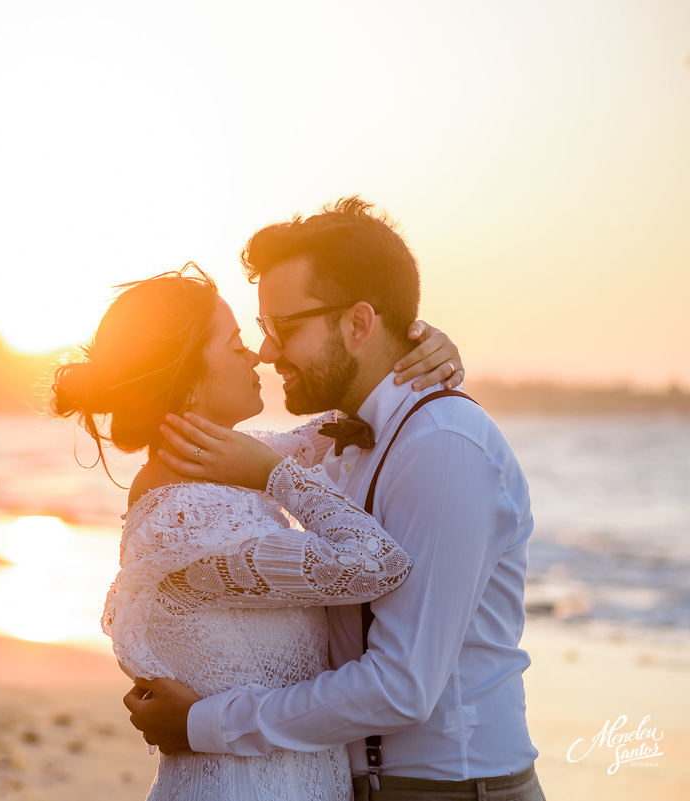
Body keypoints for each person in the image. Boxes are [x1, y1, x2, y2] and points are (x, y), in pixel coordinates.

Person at [126, 197, 545, 801]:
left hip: (451, 789)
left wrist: (205, 724)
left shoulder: (444, 445)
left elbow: (401, 686)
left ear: (358, 324)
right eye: (261, 329)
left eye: (284, 328)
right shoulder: (334, 442)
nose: (267, 351)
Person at [51, 263, 465, 801]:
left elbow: (336, 429)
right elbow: (378, 564)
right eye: (235, 344)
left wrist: (418, 353)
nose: (256, 356)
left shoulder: (210, 474)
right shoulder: (187, 518)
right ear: (190, 382)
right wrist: (276, 476)